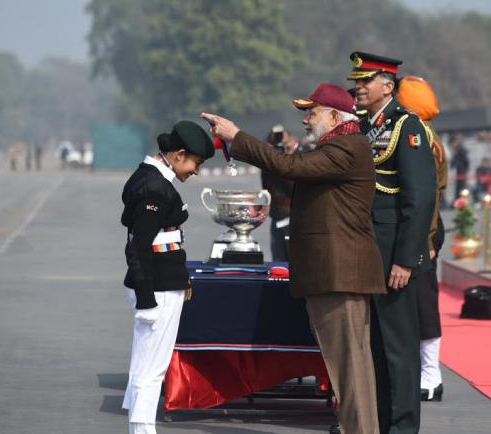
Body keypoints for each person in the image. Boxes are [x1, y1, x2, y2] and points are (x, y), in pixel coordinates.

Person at [202, 82, 387, 434]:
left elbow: (287, 165)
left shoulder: (346, 148)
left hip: (339, 274)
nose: (305, 120)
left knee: (349, 369)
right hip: (335, 273)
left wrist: (237, 136)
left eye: (312, 112)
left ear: (335, 116)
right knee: (349, 368)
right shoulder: (341, 145)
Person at [348, 52, 436, 434]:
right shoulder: (366, 126)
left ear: (387, 84)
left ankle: (402, 427)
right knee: (376, 348)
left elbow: (419, 201)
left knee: (399, 350)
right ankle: (381, 423)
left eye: (365, 81)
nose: (358, 88)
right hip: (369, 251)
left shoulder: (407, 127)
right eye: (356, 82)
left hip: (394, 256)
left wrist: (405, 260)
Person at [121, 120, 215, 434]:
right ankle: (143, 429)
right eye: (196, 163)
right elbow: (138, 247)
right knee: (152, 368)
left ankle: (139, 429)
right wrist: (146, 298)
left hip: (157, 283)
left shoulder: (151, 180)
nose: (196, 171)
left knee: (144, 364)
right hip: (158, 286)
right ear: (177, 155)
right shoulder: (155, 187)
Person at [397, 75, 448, 402]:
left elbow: (427, 196)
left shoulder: (421, 138)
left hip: (423, 230)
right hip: (418, 228)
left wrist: (425, 240)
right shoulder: (423, 134)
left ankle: (432, 375)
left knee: (423, 303)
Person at [261, 124, 294, 261]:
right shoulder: (268, 167)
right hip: (276, 217)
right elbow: (266, 188)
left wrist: (288, 160)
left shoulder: (298, 160)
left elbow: (294, 188)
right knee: (278, 262)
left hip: (292, 218)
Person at [449, 134, 470, 201]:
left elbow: (466, 161)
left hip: (461, 172)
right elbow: (452, 162)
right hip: (453, 172)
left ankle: (461, 200)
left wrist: (464, 169)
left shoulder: (461, 150)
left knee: (461, 187)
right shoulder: (452, 150)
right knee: (454, 188)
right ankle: (455, 200)